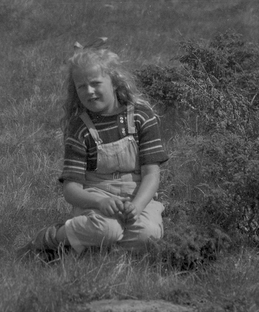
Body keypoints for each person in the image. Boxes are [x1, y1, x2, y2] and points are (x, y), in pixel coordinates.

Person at [21, 42, 168, 259]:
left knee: (148, 234)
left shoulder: (141, 117)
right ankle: (53, 237)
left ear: (115, 82)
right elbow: (71, 189)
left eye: (96, 83)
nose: (89, 91)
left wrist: (136, 207)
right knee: (106, 230)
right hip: (96, 197)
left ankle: (95, 249)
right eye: (81, 86)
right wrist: (101, 202)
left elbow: (151, 175)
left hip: (139, 195)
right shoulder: (80, 129)